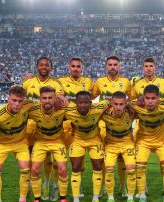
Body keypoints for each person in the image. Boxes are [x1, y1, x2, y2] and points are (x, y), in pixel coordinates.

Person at [22, 56, 67, 201]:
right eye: (41, 65)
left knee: (54, 160)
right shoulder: (28, 82)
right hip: (30, 126)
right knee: (31, 160)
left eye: (46, 65)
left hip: (50, 125)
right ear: (37, 67)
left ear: (50, 68)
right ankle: (32, 186)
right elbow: (20, 100)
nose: (43, 67)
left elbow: (60, 101)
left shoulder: (56, 83)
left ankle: (51, 186)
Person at [0, 85, 34, 202]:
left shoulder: (28, 105)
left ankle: (22, 199)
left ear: (24, 101)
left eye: (20, 101)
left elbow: (43, 105)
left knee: (25, 170)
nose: (17, 104)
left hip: (21, 143)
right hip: (2, 143)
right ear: (8, 99)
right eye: (14, 100)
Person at [131, 85, 164, 202]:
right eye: (147, 98)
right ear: (143, 97)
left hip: (161, 141)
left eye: (153, 98)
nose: (150, 101)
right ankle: (142, 194)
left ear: (159, 98)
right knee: (140, 167)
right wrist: (137, 103)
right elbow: (123, 106)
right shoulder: (136, 104)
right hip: (143, 141)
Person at [91, 55, 131, 197]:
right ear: (106, 66)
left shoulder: (126, 82)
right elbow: (90, 97)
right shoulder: (100, 81)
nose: (113, 67)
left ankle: (122, 186)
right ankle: (102, 186)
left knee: (121, 158)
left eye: (115, 64)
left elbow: (131, 99)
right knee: (103, 158)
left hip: (120, 123)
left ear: (119, 67)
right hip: (103, 124)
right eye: (110, 64)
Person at [58, 57, 95, 198]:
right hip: (65, 125)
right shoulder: (60, 82)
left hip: (80, 127)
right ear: (69, 67)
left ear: (82, 68)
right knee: (60, 160)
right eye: (73, 66)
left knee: (78, 161)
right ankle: (56, 186)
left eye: (78, 66)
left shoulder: (89, 83)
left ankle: (77, 187)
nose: (75, 68)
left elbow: (95, 96)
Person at [65, 91, 110, 202]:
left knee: (98, 166)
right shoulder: (68, 111)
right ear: (76, 103)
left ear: (90, 103)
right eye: (80, 102)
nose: (83, 105)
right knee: (75, 168)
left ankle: (95, 198)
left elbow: (111, 101)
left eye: (86, 102)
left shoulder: (99, 107)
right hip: (78, 141)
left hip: (94, 140)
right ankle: (76, 199)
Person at [28, 86, 68, 202]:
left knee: (62, 170)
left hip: (57, 142)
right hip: (40, 142)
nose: (47, 100)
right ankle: (36, 198)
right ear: (40, 100)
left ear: (55, 98)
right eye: (44, 98)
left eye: (50, 98)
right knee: (35, 169)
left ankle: (63, 198)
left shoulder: (62, 109)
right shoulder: (33, 110)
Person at [101, 91, 136, 202]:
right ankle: (110, 197)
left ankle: (130, 197)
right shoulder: (104, 114)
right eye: (115, 104)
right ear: (111, 103)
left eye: (121, 104)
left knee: (131, 169)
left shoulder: (131, 113)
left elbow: (142, 103)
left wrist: (131, 105)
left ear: (125, 103)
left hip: (127, 144)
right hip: (111, 145)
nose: (118, 107)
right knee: (109, 169)